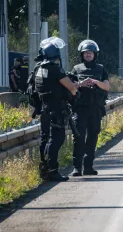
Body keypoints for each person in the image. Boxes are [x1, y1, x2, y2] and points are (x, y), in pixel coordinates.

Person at [35, 37, 78, 181]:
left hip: (45, 109)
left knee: (46, 139)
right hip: (56, 110)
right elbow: (71, 88)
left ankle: (44, 169)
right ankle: (52, 170)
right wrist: (74, 91)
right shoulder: (55, 69)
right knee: (57, 139)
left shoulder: (39, 69)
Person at [70, 40, 109, 177]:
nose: (88, 55)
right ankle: (76, 168)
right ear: (82, 54)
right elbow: (70, 87)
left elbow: (107, 86)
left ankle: (88, 167)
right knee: (79, 138)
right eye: (86, 53)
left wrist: (96, 82)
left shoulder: (101, 69)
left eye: (90, 53)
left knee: (92, 137)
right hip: (80, 109)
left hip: (95, 109)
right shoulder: (76, 68)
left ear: (94, 54)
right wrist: (81, 84)